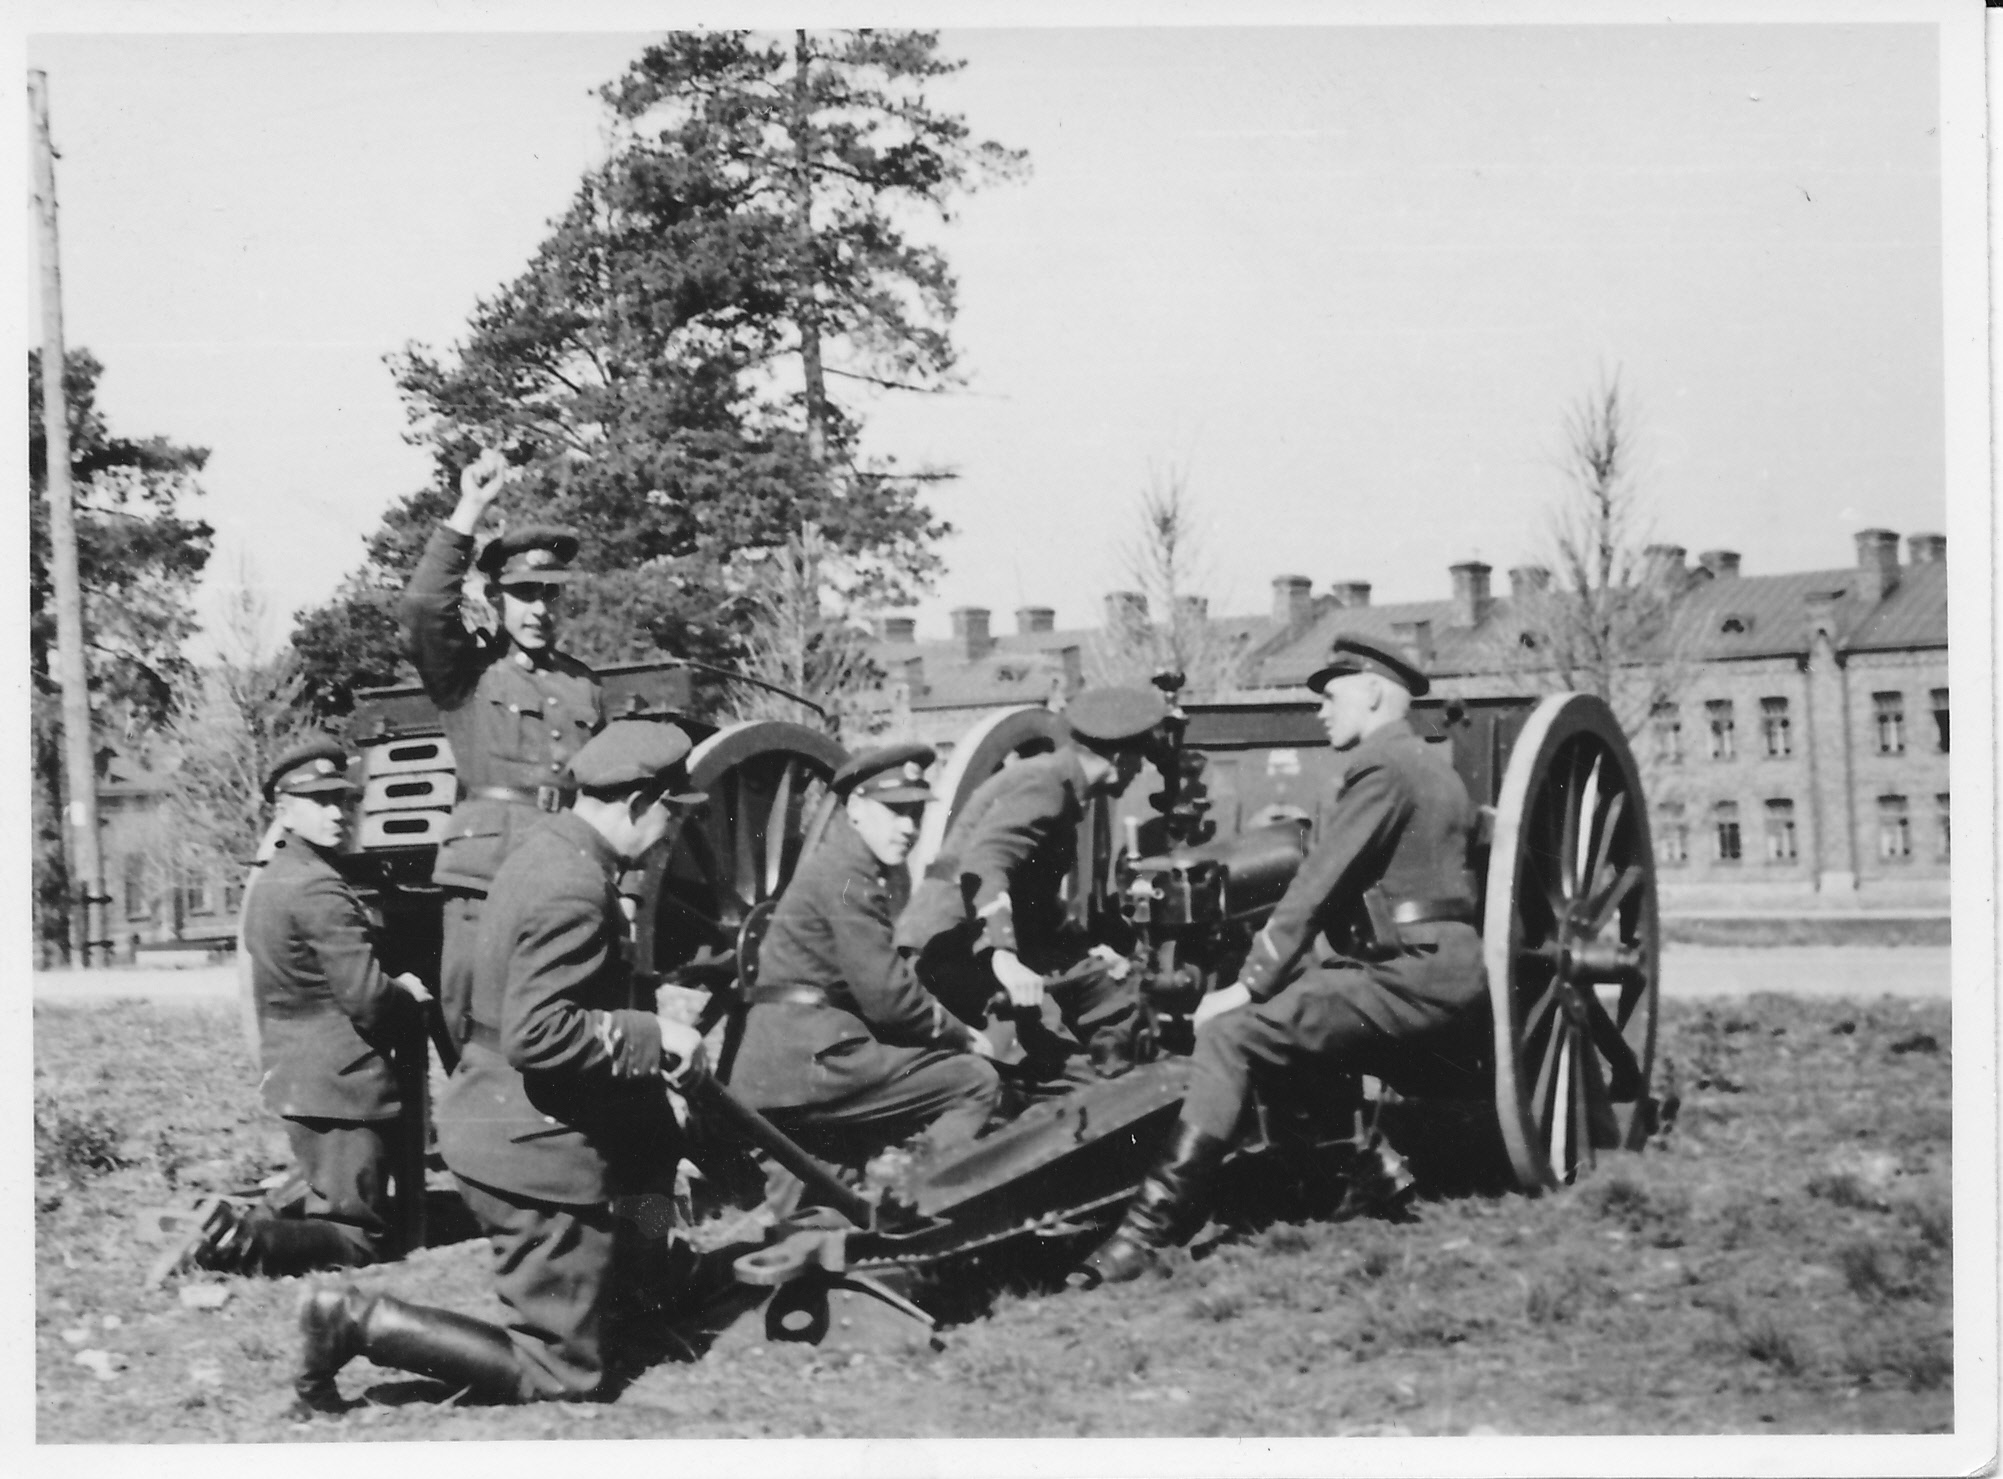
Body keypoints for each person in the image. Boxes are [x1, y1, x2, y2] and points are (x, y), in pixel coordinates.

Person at [294, 721, 710, 1412]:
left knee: (651, 1141)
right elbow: (541, 1034)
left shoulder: (546, 849)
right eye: (671, 814)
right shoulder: (573, 885)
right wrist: (655, 1032)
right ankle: (353, 1317)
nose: (672, 834)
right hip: (531, 1152)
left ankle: (644, 1278)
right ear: (638, 804)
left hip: (506, 1112)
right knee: (562, 1373)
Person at [1076, 638, 1485, 1285]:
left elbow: (1316, 887)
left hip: (1409, 974)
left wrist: (1243, 985)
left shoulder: (1380, 767)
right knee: (1296, 1017)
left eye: (1330, 695)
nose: (1320, 710)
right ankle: (1377, 1177)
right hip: (1437, 965)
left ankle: (1144, 1234)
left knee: (1232, 1034)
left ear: (1374, 692)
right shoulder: (1431, 766)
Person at [165, 740, 433, 1279]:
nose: (338, 813)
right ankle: (244, 1241)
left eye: (343, 799)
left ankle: (239, 1226)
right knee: (357, 1237)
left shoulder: (275, 877)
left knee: (336, 1205)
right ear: (284, 808)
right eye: (320, 801)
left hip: (300, 1077)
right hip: (343, 1086)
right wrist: (408, 991)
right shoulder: (318, 889)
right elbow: (368, 999)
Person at [399, 446, 604, 1050]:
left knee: (567, 1011)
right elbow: (419, 610)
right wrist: (470, 508)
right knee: (478, 1023)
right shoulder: (465, 673)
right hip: (487, 874)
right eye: (523, 594)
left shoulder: (583, 682)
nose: (539, 608)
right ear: (495, 597)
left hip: (565, 869)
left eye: (550, 594)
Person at [729, 743, 1001, 1169]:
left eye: (915, 814)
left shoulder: (834, 865)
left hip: (779, 1064)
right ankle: (915, 1197)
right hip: (813, 1065)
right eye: (895, 811)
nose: (907, 828)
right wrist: (962, 1035)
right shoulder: (848, 877)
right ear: (856, 808)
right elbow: (889, 997)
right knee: (975, 1081)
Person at [892, 685, 1169, 1082]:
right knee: (1070, 1076)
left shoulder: (1059, 786)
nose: (1141, 771)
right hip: (950, 953)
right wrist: (1002, 953)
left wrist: (1090, 950)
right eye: (1140, 760)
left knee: (1118, 998)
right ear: (1121, 758)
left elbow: (1030, 894)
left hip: (972, 944)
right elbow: (986, 861)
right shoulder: (1046, 785)